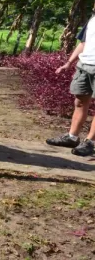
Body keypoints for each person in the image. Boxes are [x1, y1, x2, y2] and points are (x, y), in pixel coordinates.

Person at [46, 16, 95, 157]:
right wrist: (68, 63)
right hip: (84, 66)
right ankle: (72, 137)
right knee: (79, 102)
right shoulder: (91, 20)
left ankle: (90, 142)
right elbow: (83, 43)